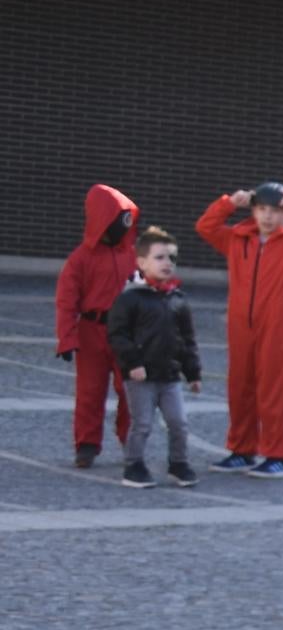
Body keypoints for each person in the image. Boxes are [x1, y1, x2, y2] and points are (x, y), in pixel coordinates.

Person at [190, 182, 283, 477]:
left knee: (273, 390)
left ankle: (279, 456)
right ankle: (242, 450)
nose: (268, 217)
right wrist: (229, 203)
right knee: (240, 388)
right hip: (241, 326)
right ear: (252, 211)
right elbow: (205, 226)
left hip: (275, 328)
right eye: (262, 209)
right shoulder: (236, 239)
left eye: (276, 211)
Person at [104, 227, 201, 489]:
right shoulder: (130, 298)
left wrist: (193, 373)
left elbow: (186, 340)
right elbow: (118, 335)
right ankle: (134, 465)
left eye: (172, 258)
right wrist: (132, 364)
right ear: (141, 262)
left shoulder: (177, 299)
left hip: (169, 376)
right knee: (142, 423)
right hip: (141, 376)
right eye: (159, 257)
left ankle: (178, 463)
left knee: (179, 423)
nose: (167, 263)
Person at [57, 183, 139, 468]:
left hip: (127, 332)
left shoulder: (133, 255)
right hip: (92, 331)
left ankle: (131, 438)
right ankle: (87, 444)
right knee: (90, 391)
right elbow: (67, 301)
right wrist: (67, 339)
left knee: (129, 388)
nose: (125, 225)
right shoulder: (81, 259)